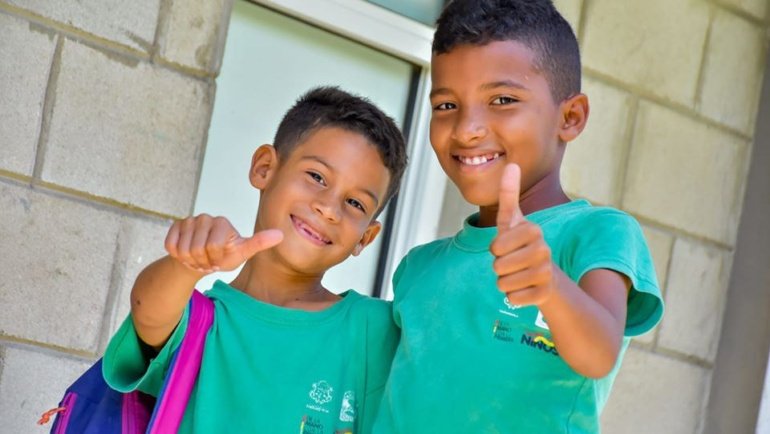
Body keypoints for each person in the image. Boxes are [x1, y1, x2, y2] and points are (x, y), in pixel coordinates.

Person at [372, 1, 664, 432]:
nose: (468, 128)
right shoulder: (418, 268)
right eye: (446, 106)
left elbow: (599, 351)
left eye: (503, 100)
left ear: (570, 117)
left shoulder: (598, 233)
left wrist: (547, 283)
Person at [102, 86, 407, 434]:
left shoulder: (375, 331)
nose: (329, 208)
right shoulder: (203, 323)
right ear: (264, 168)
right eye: (317, 177)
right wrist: (188, 264)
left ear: (365, 238)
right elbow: (148, 311)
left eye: (355, 204)